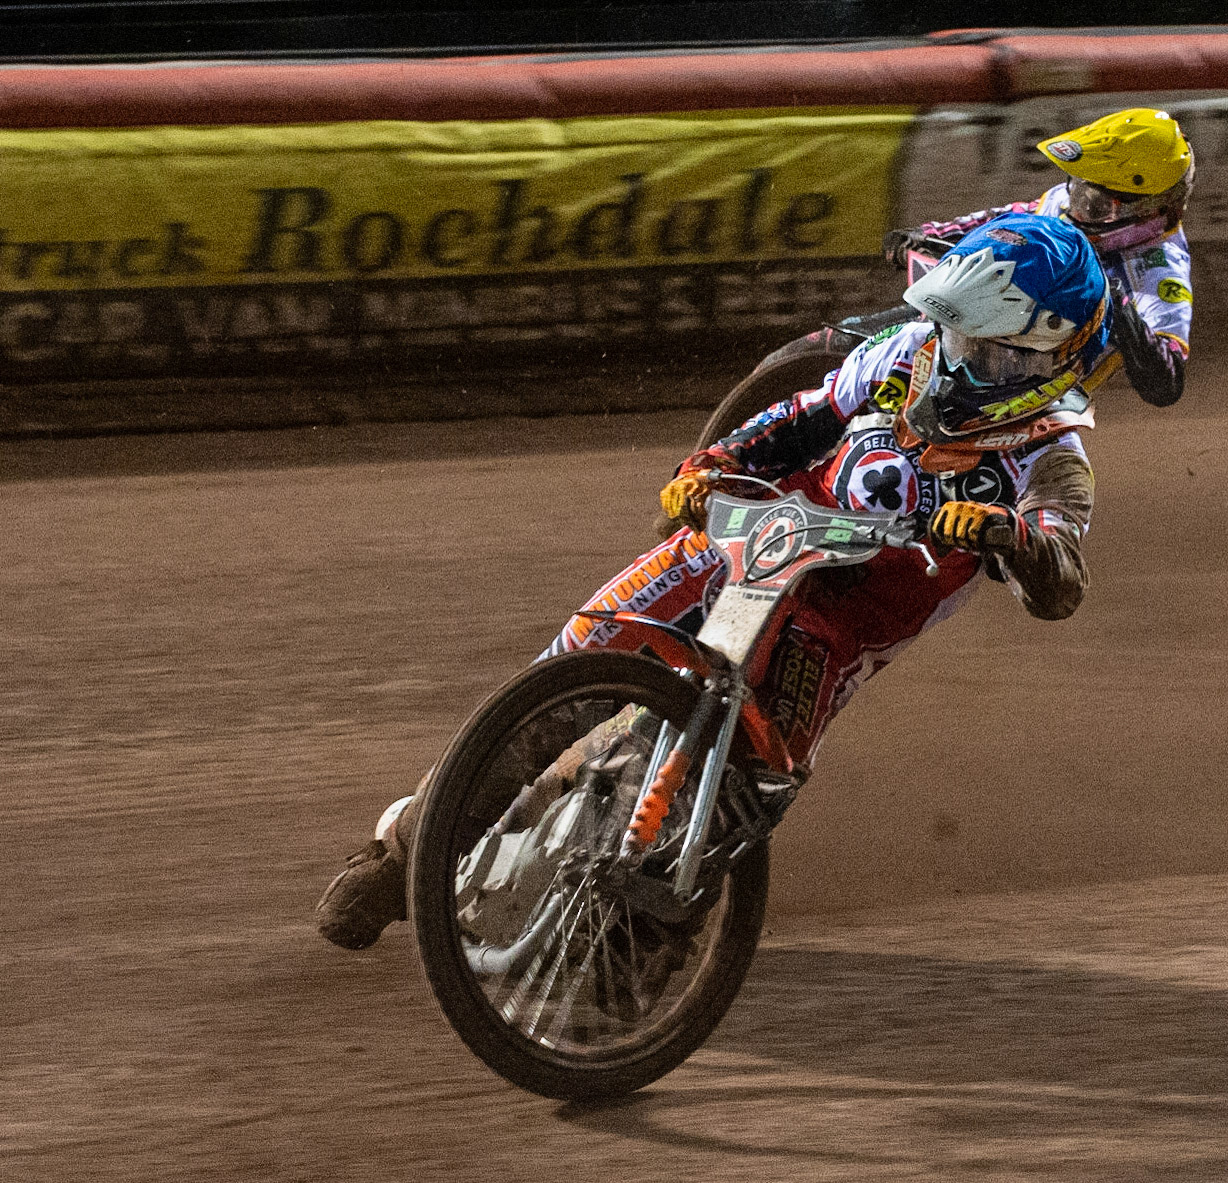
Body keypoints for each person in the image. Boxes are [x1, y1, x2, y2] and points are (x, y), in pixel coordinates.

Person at [316, 212, 1113, 950]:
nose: (958, 354)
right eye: (954, 329)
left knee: (749, 782)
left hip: (840, 619)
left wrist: (1015, 535)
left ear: (1048, 354)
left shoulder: (1052, 457)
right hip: (759, 534)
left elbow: (1062, 576)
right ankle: (405, 855)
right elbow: (802, 417)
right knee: (571, 667)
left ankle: (645, 953)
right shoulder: (907, 352)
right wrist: (712, 467)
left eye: (987, 346)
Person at [884, 108, 1195, 410]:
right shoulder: (1073, 201)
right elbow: (1006, 222)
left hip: (1032, 382)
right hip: (980, 326)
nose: (1077, 208)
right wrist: (927, 235)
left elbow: (1167, 385)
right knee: (882, 333)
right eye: (1078, 189)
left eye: (1096, 206)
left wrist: (1123, 314)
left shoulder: (1159, 271)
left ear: (1149, 210)